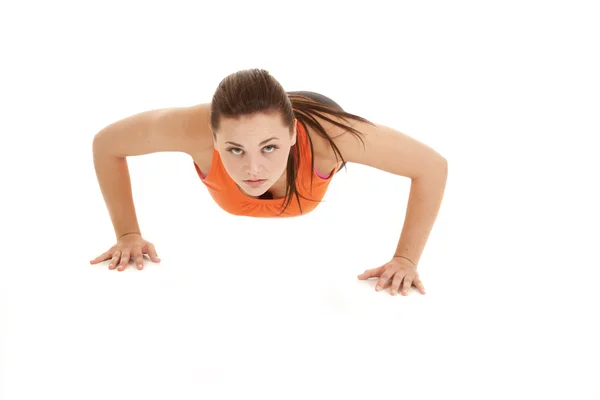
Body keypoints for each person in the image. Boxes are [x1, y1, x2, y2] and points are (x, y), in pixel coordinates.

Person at [90, 69, 448, 296]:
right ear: (213, 140)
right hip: (260, 122)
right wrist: (127, 234)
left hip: (316, 114)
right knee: (252, 130)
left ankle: (270, 130)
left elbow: (432, 167)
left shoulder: (332, 141)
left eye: (269, 148)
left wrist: (405, 258)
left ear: (291, 135)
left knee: (281, 129)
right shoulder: (192, 129)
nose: (253, 169)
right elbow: (106, 144)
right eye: (234, 150)